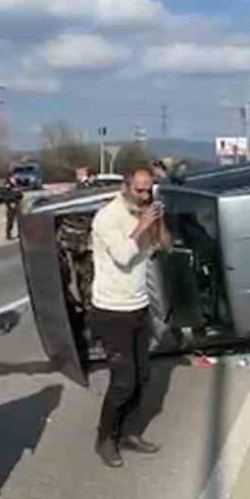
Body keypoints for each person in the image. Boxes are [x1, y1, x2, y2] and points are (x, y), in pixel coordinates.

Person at [89, 167, 171, 468]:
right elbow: (123, 256)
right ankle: (105, 438)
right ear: (126, 186)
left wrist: (158, 222)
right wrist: (142, 225)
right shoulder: (108, 217)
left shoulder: (145, 212)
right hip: (111, 309)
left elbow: (165, 245)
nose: (145, 196)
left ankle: (128, 433)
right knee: (124, 381)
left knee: (143, 376)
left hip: (139, 304)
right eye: (139, 190)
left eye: (149, 190)